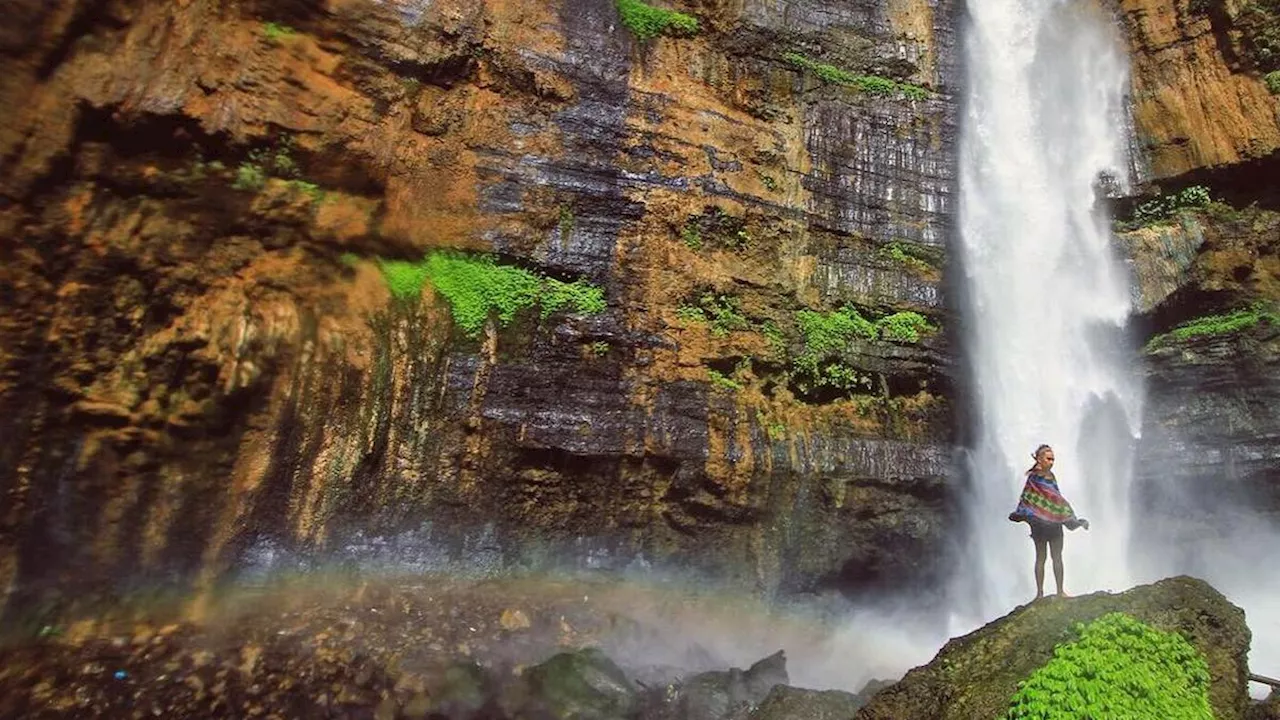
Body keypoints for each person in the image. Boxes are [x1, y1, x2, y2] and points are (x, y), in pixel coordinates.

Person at [1007, 444, 1090, 600]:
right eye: (1048, 459)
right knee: (1041, 557)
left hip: (1055, 525)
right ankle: (1039, 593)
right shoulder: (1033, 478)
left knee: (1057, 557)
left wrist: (1073, 520)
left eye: (1053, 459)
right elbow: (1027, 500)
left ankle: (1060, 591)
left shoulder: (1051, 477)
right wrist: (1021, 515)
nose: (1051, 462)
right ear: (1039, 459)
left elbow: (1057, 500)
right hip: (1039, 525)